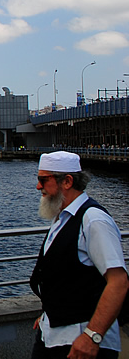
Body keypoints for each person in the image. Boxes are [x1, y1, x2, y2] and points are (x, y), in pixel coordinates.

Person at [30, 151, 128, 359]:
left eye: (43, 180)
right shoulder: (63, 218)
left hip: (81, 342)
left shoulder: (93, 220)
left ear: (67, 181)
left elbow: (118, 282)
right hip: (53, 335)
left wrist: (92, 336)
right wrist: (49, 313)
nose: (38, 186)